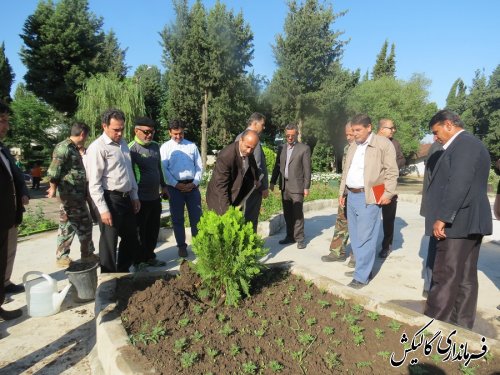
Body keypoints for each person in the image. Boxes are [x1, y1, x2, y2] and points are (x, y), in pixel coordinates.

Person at [423, 109, 492, 329]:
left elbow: (458, 183)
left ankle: (435, 323)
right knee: (464, 275)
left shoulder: (464, 145)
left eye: (436, 131)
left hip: (458, 222)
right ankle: (460, 325)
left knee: (446, 273)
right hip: (467, 220)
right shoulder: (468, 145)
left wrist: (443, 217)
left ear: (448, 125)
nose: (435, 137)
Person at [339, 114, 399, 289]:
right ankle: (363, 268)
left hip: (370, 196)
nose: (355, 134)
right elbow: (346, 170)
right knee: (356, 237)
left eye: (358, 130)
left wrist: (388, 193)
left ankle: (361, 276)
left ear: (369, 128)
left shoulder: (383, 144)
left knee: (366, 237)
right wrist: (342, 192)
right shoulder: (353, 146)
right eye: (353, 131)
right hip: (351, 194)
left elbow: (391, 171)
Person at [86, 108, 141, 273]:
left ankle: (123, 272)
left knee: (131, 236)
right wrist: (103, 210)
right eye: (115, 129)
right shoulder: (97, 147)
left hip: (126, 198)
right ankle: (108, 278)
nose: (119, 132)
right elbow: (94, 183)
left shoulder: (123, 144)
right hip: (109, 198)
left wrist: (134, 195)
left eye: (122, 128)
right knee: (109, 242)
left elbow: (129, 172)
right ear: (104, 126)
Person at [46, 122, 99, 267]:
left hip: (75, 194)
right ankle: (87, 255)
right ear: (82, 134)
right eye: (86, 136)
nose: (86, 139)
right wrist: (52, 188)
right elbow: (54, 171)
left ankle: (62, 256)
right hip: (71, 195)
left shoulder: (73, 148)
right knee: (85, 223)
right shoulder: (64, 147)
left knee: (67, 225)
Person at [0, 100, 29, 320]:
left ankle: (4, 286)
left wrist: (22, 192)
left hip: (8, 214)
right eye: (2, 121)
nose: (6, 126)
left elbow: (13, 176)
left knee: (6, 255)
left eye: (6, 121)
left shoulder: (2, 149)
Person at [128, 116, 168, 266]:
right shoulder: (131, 149)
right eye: (146, 132)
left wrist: (164, 186)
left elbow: (159, 168)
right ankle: (138, 262)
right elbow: (130, 175)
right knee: (140, 232)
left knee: (153, 230)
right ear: (136, 131)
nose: (149, 135)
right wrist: (133, 197)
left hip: (154, 197)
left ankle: (150, 257)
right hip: (140, 199)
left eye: (152, 132)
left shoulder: (155, 146)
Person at [160, 120, 203, 258]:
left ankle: (198, 245)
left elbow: (199, 166)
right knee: (178, 219)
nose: (178, 136)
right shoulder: (165, 148)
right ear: (170, 132)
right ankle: (181, 246)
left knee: (197, 218)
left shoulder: (191, 146)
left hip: (192, 187)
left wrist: (195, 182)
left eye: (181, 133)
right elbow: (164, 169)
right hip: (175, 188)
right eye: (175, 134)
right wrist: (175, 184)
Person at [270, 123, 312, 249]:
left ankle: (300, 238)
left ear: (296, 134)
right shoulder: (281, 148)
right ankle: (289, 236)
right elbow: (277, 166)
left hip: (297, 186)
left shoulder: (304, 149)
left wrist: (306, 186)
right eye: (287, 135)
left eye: (292, 135)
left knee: (297, 213)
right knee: (287, 213)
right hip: (284, 185)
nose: (289, 138)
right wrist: (272, 181)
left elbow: (307, 169)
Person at [206, 129, 260, 216]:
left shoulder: (249, 152)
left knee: (236, 223)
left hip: (236, 193)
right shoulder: (226, 156)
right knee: (223, 225)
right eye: (247, 147)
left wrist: (256, 179)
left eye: (252, 148)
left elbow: (253, 165)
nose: (249, 151)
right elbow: (221, 187)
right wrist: (227, 213)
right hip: (219, 198)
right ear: (241, 140)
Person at [322, 122, 354, 263]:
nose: (348, 137)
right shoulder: (347, 148)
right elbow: (345, 173)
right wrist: (341, 193)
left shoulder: (368, 148)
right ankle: (337, 252)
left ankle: (357, 257)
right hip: (347, 192)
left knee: (360, 227)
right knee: (341, 221)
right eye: (346, 134)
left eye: (351, 133)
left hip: (363, 193)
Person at [376, 118, 406, 258]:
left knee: (388, 219)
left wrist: (390, 164)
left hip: (389, 185)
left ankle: (386, 246)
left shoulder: (395, 143)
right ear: (381, 129)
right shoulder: (372, 141)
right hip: (376, 186)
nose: (394, 130)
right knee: (371, 218)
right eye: (391, 128)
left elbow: (402, 160)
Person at [235, 113, 269, 232]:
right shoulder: (254, 139)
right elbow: (258, 167)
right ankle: (251, 247)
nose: (263, 127)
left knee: (240, 217)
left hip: (240, 185)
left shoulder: (239, 136)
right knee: (251, 217)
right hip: (253, 187)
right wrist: (264, 187)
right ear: (255, 123)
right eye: (262, 124)